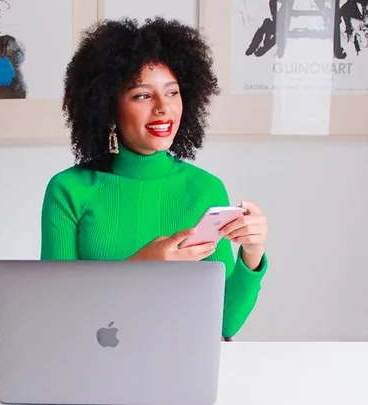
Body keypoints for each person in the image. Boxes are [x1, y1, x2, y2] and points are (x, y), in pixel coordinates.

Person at [40, 17, 269, 339]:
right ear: (108, 107)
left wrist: (253, 252)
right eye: (142, 96)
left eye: (172, 92)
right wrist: (139, 266)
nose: (164, 108)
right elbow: (55, 313)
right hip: (91, 364)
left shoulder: (204, 189)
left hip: (182, 364)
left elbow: (224, 324)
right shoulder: (69, 190)